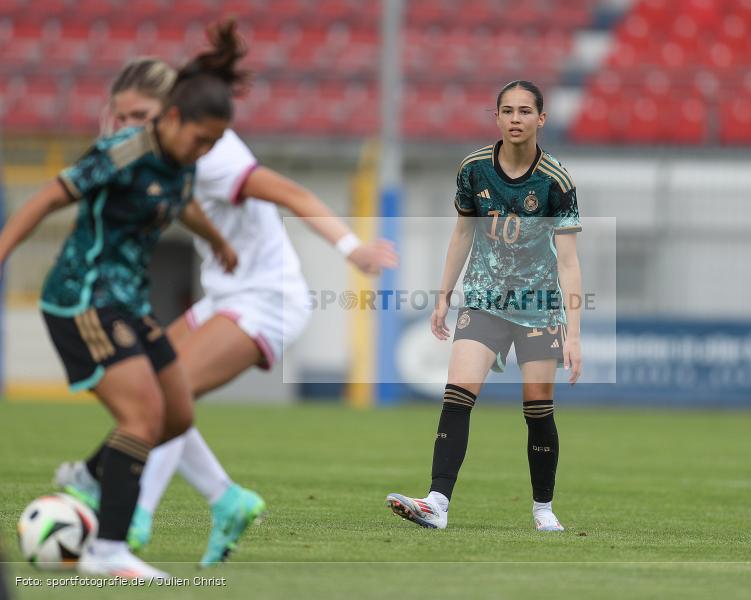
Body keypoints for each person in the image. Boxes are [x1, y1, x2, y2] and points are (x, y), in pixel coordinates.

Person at [56, 54, 398, 565]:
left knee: (170, 395)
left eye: (138, 116)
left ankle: (131, 516)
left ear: (171, 111)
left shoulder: (214, 157)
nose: (128, 127)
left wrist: (355, 250)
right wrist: (215, 239)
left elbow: (292, 193)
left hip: (269, 300)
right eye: (121, 117)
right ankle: (226, 499)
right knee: (159, 390)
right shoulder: (160, 150)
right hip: (226, 295)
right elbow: (181, 204)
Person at [0, 21, 245, 579]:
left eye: (213, 143)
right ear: (172, 118)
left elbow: (179, 203)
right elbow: (46, 198)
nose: (203, 151)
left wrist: (218, 239)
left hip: (129, 303)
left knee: (177, 415)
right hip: (82, 300)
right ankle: (108, 549)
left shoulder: (183, 161)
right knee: (142, 416)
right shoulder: (123, 151)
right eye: (200, 139)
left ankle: (89, 476)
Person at [385, 80, 582, 531]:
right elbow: (462, 234)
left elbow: (569, 262)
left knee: (537, 409)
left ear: (541, 119)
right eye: (508, 111)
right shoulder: (473, 169)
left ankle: (543, 509)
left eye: (525, 111)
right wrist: (443, 296)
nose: (516, 119)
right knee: (457, 395)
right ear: (496, 117)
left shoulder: (557, 182)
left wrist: (574, 332)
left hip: (539, 305)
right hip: (484, 299)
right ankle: (437, 503)